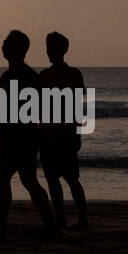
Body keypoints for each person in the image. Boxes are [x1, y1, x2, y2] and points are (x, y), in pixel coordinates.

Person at [0, 30, 57, 239]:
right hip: (15, 136)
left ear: (16, 49)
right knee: (25, 180)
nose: (2, 46)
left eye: (6, 43)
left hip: (21, 137)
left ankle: (3, 226)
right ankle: (47, 223)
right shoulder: (13, 75)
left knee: (10, 179)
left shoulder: (25, 76)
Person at [38, 31, 88, 230]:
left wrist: (77, 133)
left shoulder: (73, 74)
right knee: (52, 179)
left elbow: (77, 105)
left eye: (53, 47)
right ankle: (60, 218)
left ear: (63, 50)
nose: (49, 51)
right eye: (48, 47)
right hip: (47, 133)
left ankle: (82, 218)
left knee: (71, 179)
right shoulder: (43, 75)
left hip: (66, 134)